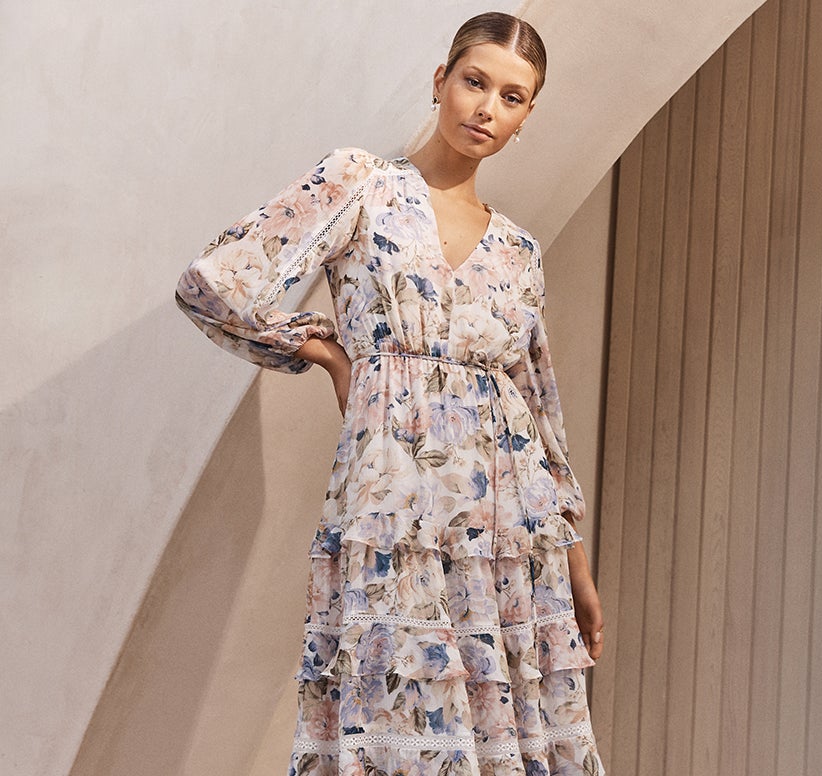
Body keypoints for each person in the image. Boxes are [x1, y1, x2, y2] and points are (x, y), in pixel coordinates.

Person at [173, 12, 606, 776]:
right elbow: (216, 284)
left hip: (508, 535)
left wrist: (573, 557)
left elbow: (540, 408)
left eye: (512, 97)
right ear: (441, 81)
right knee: (396, 719)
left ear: (526, 117)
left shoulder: (519, 252)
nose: (486, 109)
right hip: (394, 506)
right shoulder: (363, 186)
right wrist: (334, 358)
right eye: (475, 82)